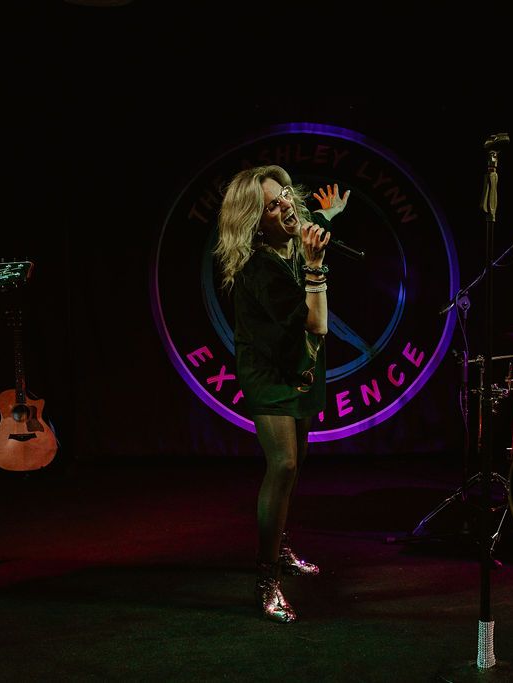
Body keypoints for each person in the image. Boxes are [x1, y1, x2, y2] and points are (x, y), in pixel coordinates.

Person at [214, 166, 347, 623]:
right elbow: (318, 323)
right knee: (284, 464)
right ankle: (266, 578)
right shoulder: (258, 268)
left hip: (302, 364)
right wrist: (315, 266)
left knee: (299, 461)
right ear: (255, 221)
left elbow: (308, 224)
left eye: (286, 194)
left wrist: (328, 216)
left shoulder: (292, 239)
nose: (287, 205)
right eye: (273, 205)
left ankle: (281, 546)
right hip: (269, 370)